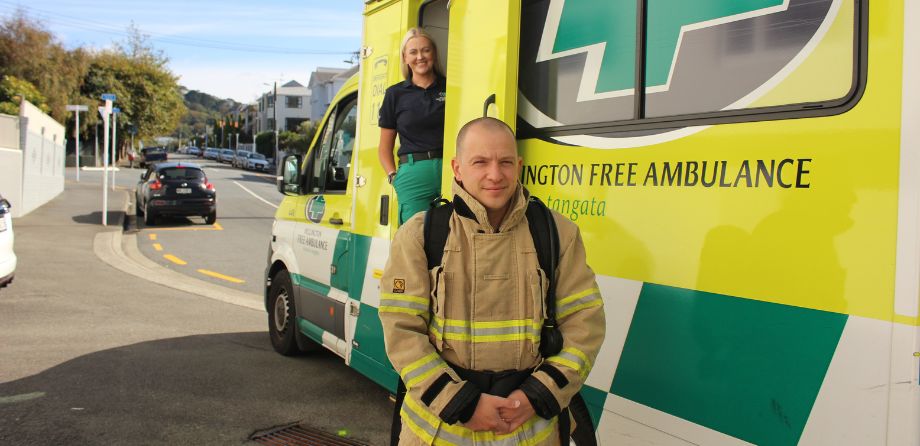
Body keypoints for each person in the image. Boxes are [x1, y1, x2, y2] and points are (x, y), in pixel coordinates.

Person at [379, 117, 606, 445]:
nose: (495, 174)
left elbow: (585, 326)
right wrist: (462, 404)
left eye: (505, 162)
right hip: (438, 433)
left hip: (532, 432)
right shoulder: (419, 235)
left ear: (519, 165)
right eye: (480, 162)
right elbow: (401, 331)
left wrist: (534, 397)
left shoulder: (559, 233)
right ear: (457, 168)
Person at [378, 27, 447, 224]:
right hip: (413, 173)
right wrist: (394, 177)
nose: (420, 57)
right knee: (414, 239)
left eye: (425, 50)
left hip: (451, 169)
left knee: (454, 236)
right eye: (413, 52)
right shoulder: (395, 94)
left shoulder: (451, 88)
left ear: (434, 53)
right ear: (405, 58)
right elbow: (384, 148)